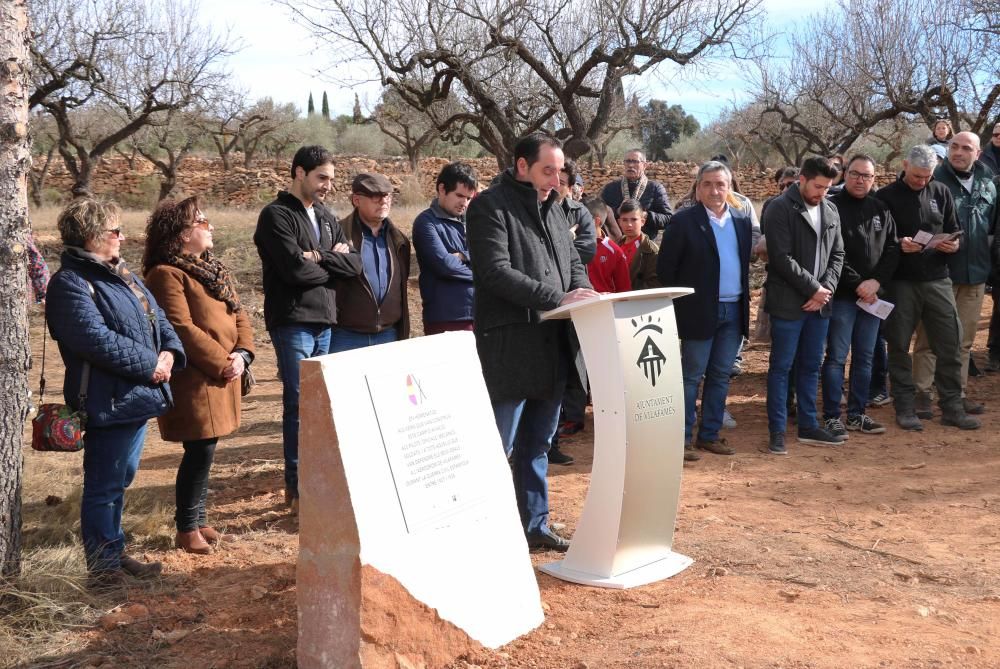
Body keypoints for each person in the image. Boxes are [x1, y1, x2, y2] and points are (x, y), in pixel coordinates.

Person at [467, 133, 598, 551]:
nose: (556, 179)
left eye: (559, 171)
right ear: (521, 166)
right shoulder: (490, 207)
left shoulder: (556, 209)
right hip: (510, 347)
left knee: (538, 444)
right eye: (548, 170)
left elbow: (574, 263)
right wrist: (556, 298)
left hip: (554, 345)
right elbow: (495, 272)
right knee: (498, 445)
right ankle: (482, 531)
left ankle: (534, 524)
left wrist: (584, 295)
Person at [46, 198, 185, 589]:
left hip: (136, 396)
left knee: (120, 478)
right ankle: (103, 569)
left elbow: (158, 318)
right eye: (115, 231)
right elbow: (93, 339)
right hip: (107, 399)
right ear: (92, 236)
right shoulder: (70, 283)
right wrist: (149, 365)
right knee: (104, 485)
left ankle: (112, 548)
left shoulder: (121, 273)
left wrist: (171, 353)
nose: (122, 237)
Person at [143, 197, 255, 555]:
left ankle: (199, 519)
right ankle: (186, 527)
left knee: (207, 448)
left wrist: (243, 354)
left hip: (224, 371)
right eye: (202, 222)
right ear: (181, 234)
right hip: (197, 378)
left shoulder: (213, 269)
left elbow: (240, 315)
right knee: (199, 449)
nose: (211, 227)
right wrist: (222, 361)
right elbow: (181, 328)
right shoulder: (165, 274)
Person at [254, 145, 362, 511]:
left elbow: (355, 267)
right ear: (299, 173)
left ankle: (318, 482)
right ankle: (297, 488)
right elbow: (294, 271)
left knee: (320, 407)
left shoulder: (328, 217)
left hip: (325, 322)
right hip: (293, 322)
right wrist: (334, 259)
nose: (327, 186)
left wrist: (320, 257)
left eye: (331, 179)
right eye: (321, 178)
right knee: (299, 405)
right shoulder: (276, 216)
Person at [876, 144, 978, 431]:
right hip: (901, 282)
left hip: (937, 278)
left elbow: (955, 228)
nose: (923, 182)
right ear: (905, 165)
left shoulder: (940, 191)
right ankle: (905, 407)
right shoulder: (885, 197)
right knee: (898, 345)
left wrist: (953, 244)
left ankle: (951, 407)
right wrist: (899, 243)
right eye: (918, 176)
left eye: (927, 176)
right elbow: (878, 239)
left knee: (949, 342)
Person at [658, 161, 753, 460]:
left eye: (720, 184)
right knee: (691, 376)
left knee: (721, 375)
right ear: (698, 189)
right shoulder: (683, 221)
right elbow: (665, 270)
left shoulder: (741, 220)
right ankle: (682, 439)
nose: (715, 190)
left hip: (733, 311)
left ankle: (709, 435)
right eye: (708, 184)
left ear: (729, 187)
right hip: (698, 312)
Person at [910, 132, 998, 416]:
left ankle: (957, 394)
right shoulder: (933, 179)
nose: (958, 152)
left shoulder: (989, 182)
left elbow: (991, 228)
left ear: (977, 153)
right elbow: (916, 223)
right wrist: (937, 241)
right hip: (939, 272)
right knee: (929, 338)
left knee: (964, 340)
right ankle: (922, 393)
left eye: (966, 148)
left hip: (975, 274)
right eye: (954, 147)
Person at [762, 156, 845, 455]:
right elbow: (781, 258)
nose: (822, 192)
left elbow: (838, 255)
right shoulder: (779, 208)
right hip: (788, 304)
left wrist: (827, 290)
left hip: (819, 305)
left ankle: (809, 425)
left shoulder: (831, 209)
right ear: (802, 179)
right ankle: (777, 431)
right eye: (818, 186)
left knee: (811, 366)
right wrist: (814, 288)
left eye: (827, 187)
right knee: (781, 368)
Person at [820, 155, 899, 438]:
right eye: (854, 174)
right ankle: (832, 417)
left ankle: (857, 414)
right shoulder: (831, 206)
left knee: (865, 358)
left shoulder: (880, 209)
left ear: (874, 179)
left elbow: (892, 249)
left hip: (871, 298)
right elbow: (832, 254)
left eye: (866, 176)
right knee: (837, 358)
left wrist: (876, 282)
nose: (860, 180)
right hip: (843, 296)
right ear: (844, 174)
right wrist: (859, 284)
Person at [331, 173, 411, 352]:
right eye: (376, 196)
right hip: (344, 336)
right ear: (356, 200)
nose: (383, 201)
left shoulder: (400, 240)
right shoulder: (338, 235)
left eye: (387, 196)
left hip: (388, 335)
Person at [412, 162, 478, 335]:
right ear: (442, 189)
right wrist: (484, 274)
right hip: (446, 318)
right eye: (459, 195)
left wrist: (462, 256)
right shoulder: (426, 223)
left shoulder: (474, 221)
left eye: (469, 198)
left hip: (481, 314)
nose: (464, 203)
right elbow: (445, 265)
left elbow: (491, 257)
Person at [600, 149, 673, 240]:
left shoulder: (655, 188)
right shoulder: (610, 188)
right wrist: (617, 211)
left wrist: (645, 215)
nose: (630, 165)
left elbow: (668, 219)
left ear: (644, 165)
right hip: (615, 246)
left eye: (635, 161)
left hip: (645, 248)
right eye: (628, 161)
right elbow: (599, 216)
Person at [584, 199, 631, 294]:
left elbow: (624, 290)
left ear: (596, 221)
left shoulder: (614, 251)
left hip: (607, 306)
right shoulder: (571, 245)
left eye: (581, 218)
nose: (576, 222)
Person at [616, 199, 661, 291]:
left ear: (642, 221)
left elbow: (655, 284)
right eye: (624, 220)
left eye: (634, 220)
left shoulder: (651, 251)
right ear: (619, 222)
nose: (629, 224)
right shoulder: (614, 247)